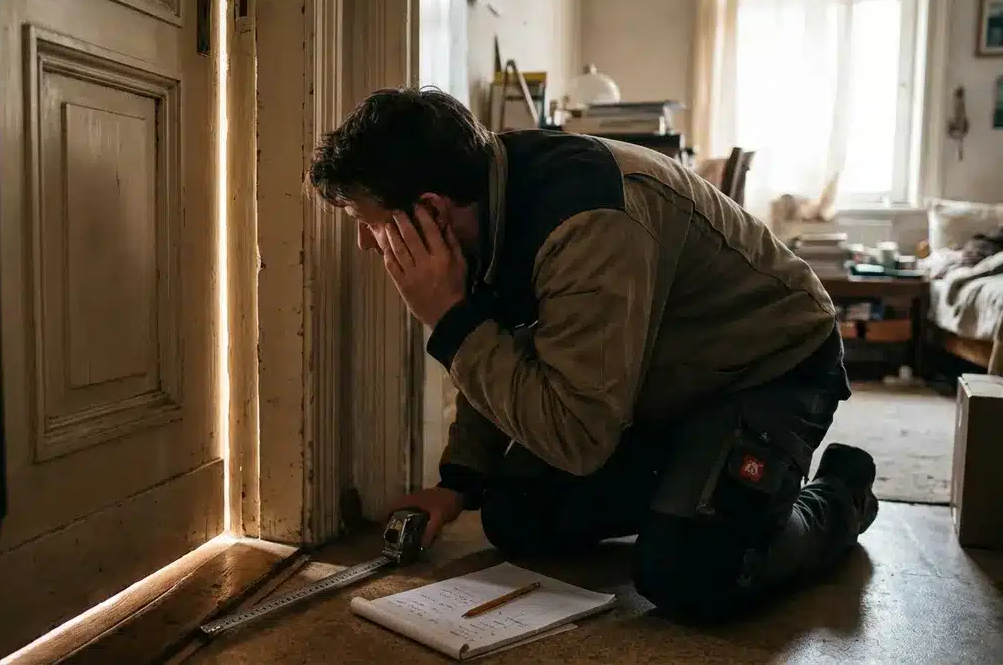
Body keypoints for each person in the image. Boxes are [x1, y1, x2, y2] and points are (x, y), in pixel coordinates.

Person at [308, 88, 878, 621]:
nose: (365, 242)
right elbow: (506, 344)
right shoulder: (484, 195)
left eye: (369, 223)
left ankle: (839, 497)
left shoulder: (587, 226)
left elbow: (577, 436)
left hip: (770, 365)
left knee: (690, 571)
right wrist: (459, 481)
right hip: (660, 378)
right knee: (516, 514)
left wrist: (450, 320)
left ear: (430, 212)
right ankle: (701, 485)